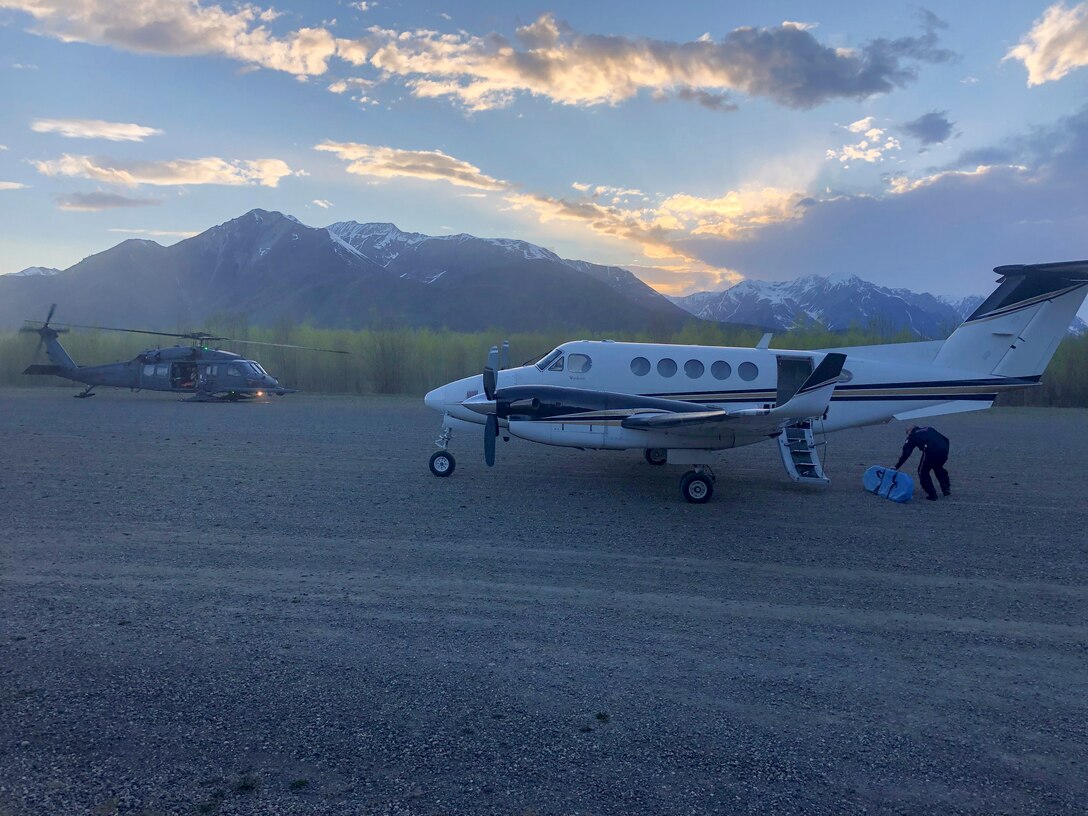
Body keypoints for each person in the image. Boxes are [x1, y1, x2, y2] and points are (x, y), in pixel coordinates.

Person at [895, 425, 951, 501]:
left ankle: (932, 494)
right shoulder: (929, 428)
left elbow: (906, 453)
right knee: (938, 467)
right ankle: (946, 489)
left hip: (931, 450)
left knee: (922, 471)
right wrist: (945, 450)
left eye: (907, 433)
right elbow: (945, 439)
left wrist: (897, 466)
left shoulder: (912, 436)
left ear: (909, 431)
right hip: (944, 449)